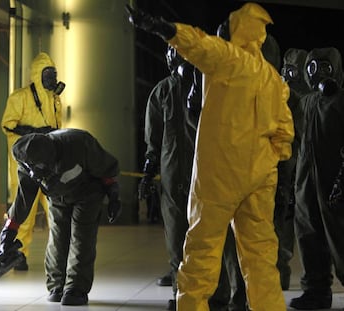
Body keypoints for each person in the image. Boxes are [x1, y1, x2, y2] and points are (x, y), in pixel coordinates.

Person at [126, 2, 294, 311]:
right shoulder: (273, 80)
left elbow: (197, 44)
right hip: (259, 179)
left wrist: (163, 28)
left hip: (218, 175)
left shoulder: (228, 59)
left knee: (200, 256)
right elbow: (285, 135)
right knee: (260, 260)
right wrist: (266, 161)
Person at [139, 45, 247, 311]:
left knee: (212, 238)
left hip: (208, 176)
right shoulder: (162, 92)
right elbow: (153, 143)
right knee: (177, 239)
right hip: (174, 178)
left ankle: (219, 296)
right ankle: (184, 295)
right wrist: (148, 174)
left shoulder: (211, 88)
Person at [0, 128, 122, 306]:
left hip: (88, 193)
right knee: (57, 237)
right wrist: (8, 231)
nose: (33, 173)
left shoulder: (79, 144)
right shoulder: (26, 159)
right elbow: (23, 199)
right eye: (30, 168)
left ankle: (76, 288)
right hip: (57, 196)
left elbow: (108, 169)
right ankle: (57, 285)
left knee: (81, 237)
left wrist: (114, 196)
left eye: (38, 168)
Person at [290, 47, 344, 310]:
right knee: (308, 235)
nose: (317, 74)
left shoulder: (341, 102)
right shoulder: (307, 102)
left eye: (324, 67)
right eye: (312, 68)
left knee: (340, 237)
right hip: (307, 183)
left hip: (334, 182)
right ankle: (316, 290)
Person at [1, 52, 63, 270]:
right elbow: (8, 124)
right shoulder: (19, 97)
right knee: (24, 209)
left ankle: (60, 252)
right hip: (25, 162)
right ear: (38, 75)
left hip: (49, 162)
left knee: (56, 207)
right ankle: (18, 253)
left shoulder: (55, 99)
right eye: (48, 74)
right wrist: (33, 133)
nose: (52, 78)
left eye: (53, 74)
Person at [275, 48, 309, 290]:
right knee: (283, 226)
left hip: (300, 171)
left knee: (308, 229)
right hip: (287, 171)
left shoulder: (304, 98)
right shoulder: (281, 95)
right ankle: (280, 275)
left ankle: (311, 281)